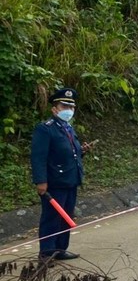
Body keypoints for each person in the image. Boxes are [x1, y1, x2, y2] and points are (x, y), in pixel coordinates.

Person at [31, 88, 93, 261]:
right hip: (54, 182)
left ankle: (60, 249)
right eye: (64, 106)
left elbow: (70, 154)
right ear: (54, 108)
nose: (69, 110)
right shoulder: (46, 129)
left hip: (71, 179)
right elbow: (38, 157)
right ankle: (47, 253)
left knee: (66, 217)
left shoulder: (68, 128)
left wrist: (82, 151)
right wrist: (41, 181)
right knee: (51, 218)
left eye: (71, 107)